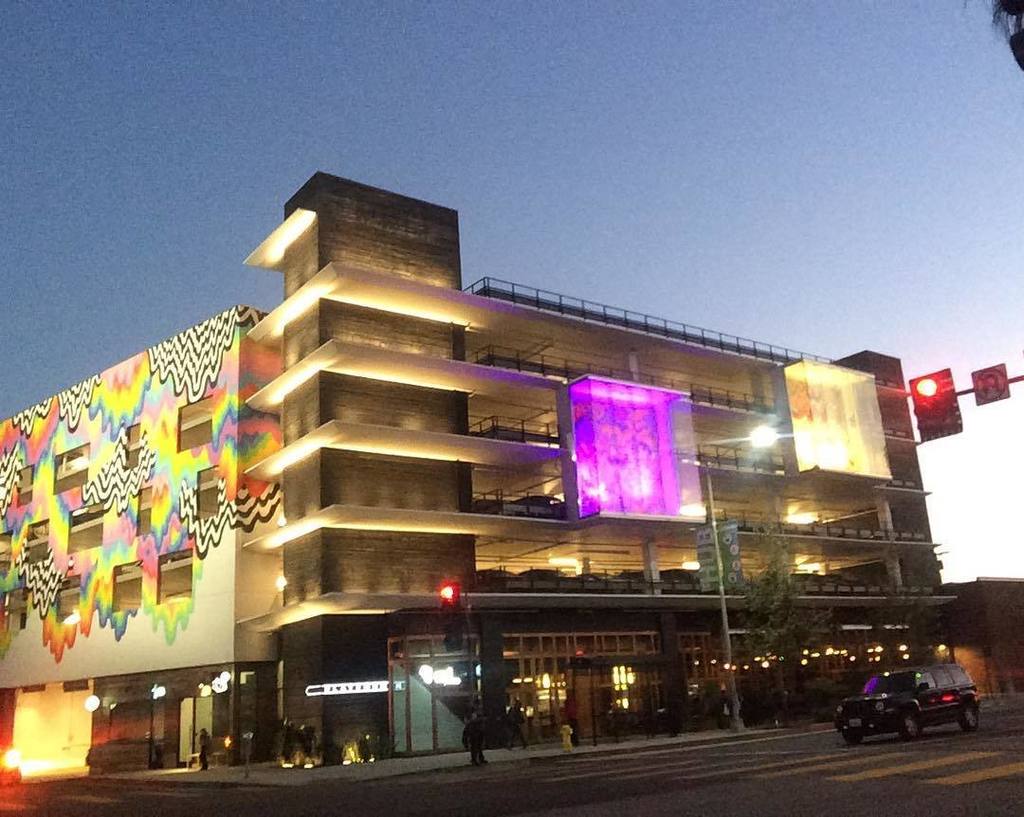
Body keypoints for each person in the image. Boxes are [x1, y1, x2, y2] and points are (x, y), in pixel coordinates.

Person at [463, 700, 487, 766]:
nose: (480, 706)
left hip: (479, 730)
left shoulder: (479, 712)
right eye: (479, 705)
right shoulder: (471, 712)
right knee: (475, 746)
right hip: (474, 731)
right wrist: (479, 720)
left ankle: (479, 758)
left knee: (479, 745)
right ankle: (475, 759)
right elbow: (468, 721)